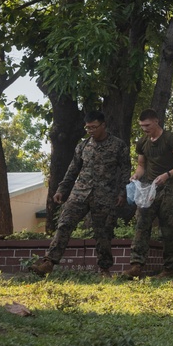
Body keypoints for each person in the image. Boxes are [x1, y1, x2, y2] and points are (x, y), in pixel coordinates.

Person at [30, 111, 130, 278]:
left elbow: (125, 171)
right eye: (87, 127)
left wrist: (122, 192)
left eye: (93, 127)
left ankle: (105, 270)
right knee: (64, 223)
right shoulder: (83, 146)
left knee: (103, 233)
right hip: (80, 193)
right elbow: (72, 170)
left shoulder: (118, 146)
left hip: (104, 194)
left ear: (103, 125)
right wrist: (62, 189)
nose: (90, 130)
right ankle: (48, 263)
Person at [122, 109, 173, 279]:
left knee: (168, 228)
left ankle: (168, 269)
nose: (144, 128)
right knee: (142, 225)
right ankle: (136, 266)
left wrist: (167, 175)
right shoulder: (142, 142)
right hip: (149, 190)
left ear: (156, 121)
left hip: (168, 188)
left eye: (147, 125)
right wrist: (136, 175)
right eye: (142, 126)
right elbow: (141, 165)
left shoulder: (170, 139)